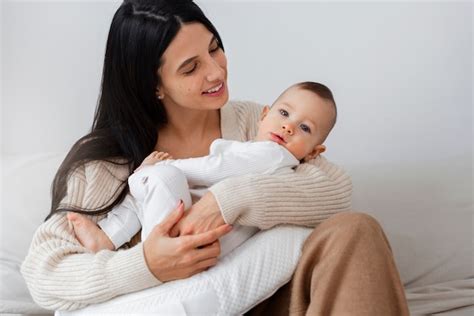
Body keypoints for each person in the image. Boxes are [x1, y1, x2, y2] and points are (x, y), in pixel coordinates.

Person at [21, 0, 409, 314]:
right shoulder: (106, 162)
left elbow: (334, 189)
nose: (216, 72)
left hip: (270, 298)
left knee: (356, 230)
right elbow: (44, 273)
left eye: (214, 48)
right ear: (153, 85)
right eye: (191, 68)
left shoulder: (253, 121)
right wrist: (148, 266)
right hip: (188, 303)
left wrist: (229, 201)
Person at [67, 81, 336, 258]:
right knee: (143, 198)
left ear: (313, 152)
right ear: (264, 115)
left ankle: (114, 239)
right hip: (191, 222)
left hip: (193, 230)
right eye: (285, 114)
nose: (288, 127)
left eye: (305, 128)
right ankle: (109, 240)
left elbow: (214, 168)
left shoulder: (272, 155)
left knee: (158, 180)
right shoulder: (256, 148)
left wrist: (164, 165)